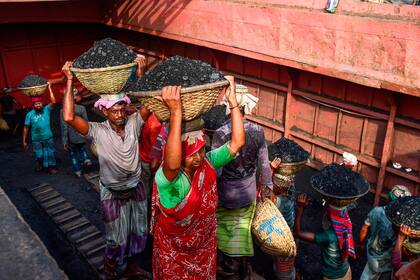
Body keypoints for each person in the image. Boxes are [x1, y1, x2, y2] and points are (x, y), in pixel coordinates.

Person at [62, 56, 152, 280]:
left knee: (138, 231)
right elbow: (69, 116)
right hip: (112, 192)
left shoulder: (134, 122)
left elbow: (150, 103)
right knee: (116, 238)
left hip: (137, 187)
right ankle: (110, 270)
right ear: (105, 112)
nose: (120, 114)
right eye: (114, 111)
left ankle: (131, 268)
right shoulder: (97, 130)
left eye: (122, 109)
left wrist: (141, 74)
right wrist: (70, 81)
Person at [151, 76, 245, 280]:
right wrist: (176, 112)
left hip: (203, 249)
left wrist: (233, 102)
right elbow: (173, 164)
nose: (199, 157)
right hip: (174, 254)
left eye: (202, 149)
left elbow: (236, 143)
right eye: (192, 152)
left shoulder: (208, 163)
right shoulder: (168, 179)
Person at [211, 84, 271, 278]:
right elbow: (264, 165)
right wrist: (268, 187)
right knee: (243, 235)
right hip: (248, 192)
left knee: (222, 234)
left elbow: (217, 171)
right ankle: (244, 270)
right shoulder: (258, 131)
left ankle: (225, 267)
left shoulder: (220, 133)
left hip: (225, 194)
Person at [358, 185, 412, 280]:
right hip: (388, 262)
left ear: (388, 198)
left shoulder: (376, 211)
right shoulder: (402, 226)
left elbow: (364, 229)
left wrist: (361, 245)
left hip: (372, 257)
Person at [295, 193, 353, 280]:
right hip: (346, 271)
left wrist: (300, 209)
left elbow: (297, 233)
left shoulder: (329, 236)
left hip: (332, 277)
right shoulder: (346, 221)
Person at [271, 158, 297, 280]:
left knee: (283, 266)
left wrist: (271, 169)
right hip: (289, 233)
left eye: (273, 184)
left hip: (283, 237)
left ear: (278, 187)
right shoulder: (291, 192)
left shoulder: (280, 201)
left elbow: (265, 192)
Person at [22, 83, 57, 174]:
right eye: (36, 104)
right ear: (33, 105)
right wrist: (24, 141)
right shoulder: (29, 115)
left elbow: (53, 102)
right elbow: (26, 128)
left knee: (50, 153)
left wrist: (49, 88)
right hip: (36, 139)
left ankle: (51, 168)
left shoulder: (46, 109)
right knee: (40, 155)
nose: (38, 105)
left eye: (39, 103)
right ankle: (39, 161)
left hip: (48, 137)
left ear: (42, 103)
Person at [60, 89, 92, 177]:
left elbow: (64, 127)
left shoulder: (63, 111)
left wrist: (65, 141)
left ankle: (78, 171)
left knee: (73, 154)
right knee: (82, 148)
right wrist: (88, 134)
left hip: (71, 137)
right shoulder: (81, 108)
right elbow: (86, 122)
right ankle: (86, 158)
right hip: (81, 135)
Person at [139, 113, 162, 201]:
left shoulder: (152, 117)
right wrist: (154, 170)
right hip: (148, 162)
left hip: (144, 155)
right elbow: (155, 156)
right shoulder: (156, 125)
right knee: (148, 191)